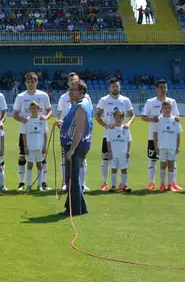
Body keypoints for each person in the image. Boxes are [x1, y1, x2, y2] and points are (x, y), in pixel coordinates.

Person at [12, 72, 52, 190]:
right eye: (28, 82)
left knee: (42, 157)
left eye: (33, 82)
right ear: (25, 83)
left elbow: (49, 110)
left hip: (40, 131)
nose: (30, 84)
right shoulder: (20, 97)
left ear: (37, 82)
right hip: (26, 132)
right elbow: (15, 114)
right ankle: (22, 183)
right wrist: (22, 119)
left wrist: (46, 117)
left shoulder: (43, 95)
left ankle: (43, 182)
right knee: (22, 156)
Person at [59, 81, 93, 217]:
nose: (70, 92)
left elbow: (79, 129)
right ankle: (80, 207)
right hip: (78, 144)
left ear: (81, 92)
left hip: (76, 145)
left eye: (73, 90)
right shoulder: (81, 104)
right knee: (73, 177)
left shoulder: (80, 107)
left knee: (72, 178)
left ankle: (74, 209)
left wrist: (72, 149)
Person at [94, 78, 134, 191]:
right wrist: (105, 125)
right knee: (105, 160)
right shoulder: (104, 100)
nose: (115, 88)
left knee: (123, 159)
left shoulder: (125, 100)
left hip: (122, 136)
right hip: (108, 136)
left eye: (117, 86)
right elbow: (97, 115)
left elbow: (132, 115)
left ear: (119, 87)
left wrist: (128, 124)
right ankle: (104, 183)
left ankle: (123, 184)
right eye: (113, 86)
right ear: (109, 88)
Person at [140, 80, 180, 191]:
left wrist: (177, 118)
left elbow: (177, 116)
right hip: (154, 137)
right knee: (152, 159)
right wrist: (152, 119)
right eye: (161, 87)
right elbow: (143, 117)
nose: (163, 89)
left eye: (165, 87)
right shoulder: (150, 102)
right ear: (156, 89)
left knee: (172, 161)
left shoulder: (172, 102)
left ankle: (173, 183)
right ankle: (151, 183)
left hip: (169, 138)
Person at [155, 101, 182, 192]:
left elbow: (178, 134)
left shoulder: (175, 120)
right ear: (162, 109)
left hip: (172, 147)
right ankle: (162, 184)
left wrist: (177, 147)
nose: (167, 110)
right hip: (162, 146)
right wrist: (156, 147)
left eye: (169, 108)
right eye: (165, 108)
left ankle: (170, 185)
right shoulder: (159, 119)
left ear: (171, 109)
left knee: (171, 165)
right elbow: (155, 133)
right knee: (162, 165)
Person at [103, 109, 132, 192]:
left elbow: (129, 140)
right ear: (114, 118)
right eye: (117, 118)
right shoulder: (111, 129)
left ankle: (124, 185)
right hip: (114, 153)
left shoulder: (126, 129)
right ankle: (113, 186)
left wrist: (128, 151)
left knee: (124, 169)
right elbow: (108, 141)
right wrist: (109, 152)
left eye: (120, 118)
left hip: (123, 153)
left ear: (123, 118)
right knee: (114, 169)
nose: (118, 119)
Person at [22, 101, 48, 191]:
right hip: (30, 147)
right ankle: (29, 185)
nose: (33, 110)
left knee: (39, 165)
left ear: (38, 109)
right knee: (29, 165)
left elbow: (45, 134)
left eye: (35, 108)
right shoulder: (26, 120)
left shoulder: (42, 120)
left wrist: (44, 147)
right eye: (32, 108)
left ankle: (39, 185)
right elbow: (24, 134)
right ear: (29, 109)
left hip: (40, 147)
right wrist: (25, 146)